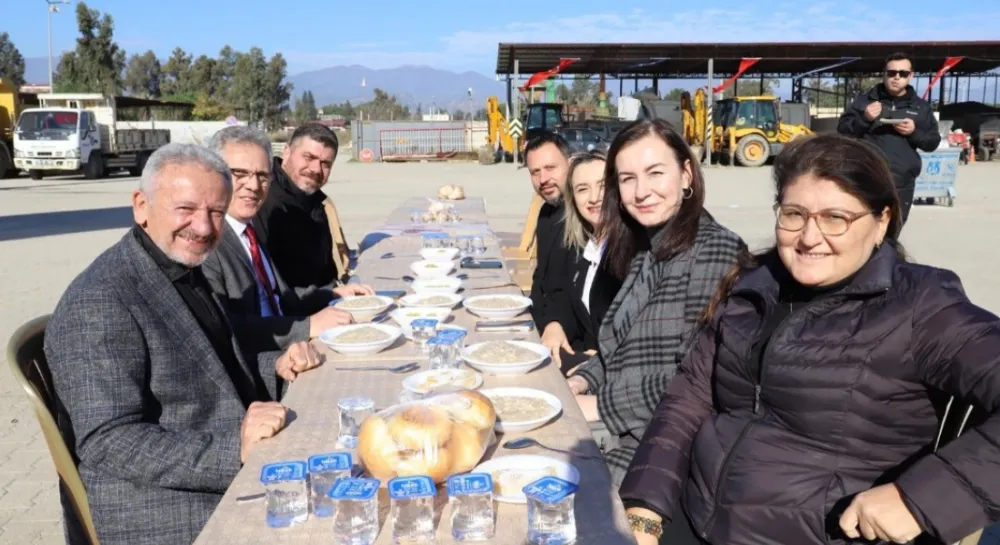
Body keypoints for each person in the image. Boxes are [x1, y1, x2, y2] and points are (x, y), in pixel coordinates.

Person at [620, 134, 1000, 545]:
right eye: (794, 214)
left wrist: (920, 499)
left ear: (882, 220)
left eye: (835, 218)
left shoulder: (921, 305)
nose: (809, 237)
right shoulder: (753, 285)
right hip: (696, 515)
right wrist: (645, 507)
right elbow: (689, 396)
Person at [44, 143, 325, 545]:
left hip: (213, 465)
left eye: (215, 212)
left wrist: (277, 366)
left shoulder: (181, 267)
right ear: (142, 205)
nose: (206, 227)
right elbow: (107, 441)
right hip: (164, 507)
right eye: (186, 209)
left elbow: (215, 366)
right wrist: (235, 449)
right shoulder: (101, 298)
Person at [565, 119, 745, 486]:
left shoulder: (714, 251)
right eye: (628, 178)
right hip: (624, 426)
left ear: (686, 175)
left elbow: (697, 379)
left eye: (655, 173)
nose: (641, 191)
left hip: (664, 445)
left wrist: (600, 405)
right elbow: (621, 348)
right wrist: (582, 380)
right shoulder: (646, 249)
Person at [202, 126, 369, 353]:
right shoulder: (205, 243)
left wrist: (331, 294)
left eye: (262, 176)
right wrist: (307, 326)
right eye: (239, 173)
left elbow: (280, 299)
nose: (253, 186)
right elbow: (224, 330)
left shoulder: (248, 230)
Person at [538, 150, 622, 374]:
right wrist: (555, 323)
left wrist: (595, 361)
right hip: (587, 363)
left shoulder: (630, 252)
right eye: (583, 189)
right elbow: (565, 295)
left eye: (603, 186)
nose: (594, 198)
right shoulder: (585, 247)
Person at [256, 122, 361, 296]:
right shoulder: (264, 201)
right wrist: (330, 296)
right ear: (287, 151)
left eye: (326, 164)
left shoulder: (313, 200)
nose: (316, 169)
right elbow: (274, 290)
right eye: (308, 157)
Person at [838, 52, 941, 225]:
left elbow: (932, 142)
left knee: (892, 234)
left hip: (901, 184)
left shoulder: (921, 108)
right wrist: (865, 118)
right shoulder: (864, 102)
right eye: (892, 73)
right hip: (866, 181)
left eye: (903, 73)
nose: (896, 78)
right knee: (863, 231)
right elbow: (843, 132)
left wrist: (913, 132)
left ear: (911, 76)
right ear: (884, 73)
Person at [524, 132, 574, 332]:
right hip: (539, 322)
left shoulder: (586, 216)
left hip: (567, 333)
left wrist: (553, 324)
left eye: (550, 168)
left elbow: (574, 291)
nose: (543, 179)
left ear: (570, 164)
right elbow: (541, 279)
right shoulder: (546, 213)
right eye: (535, 172)